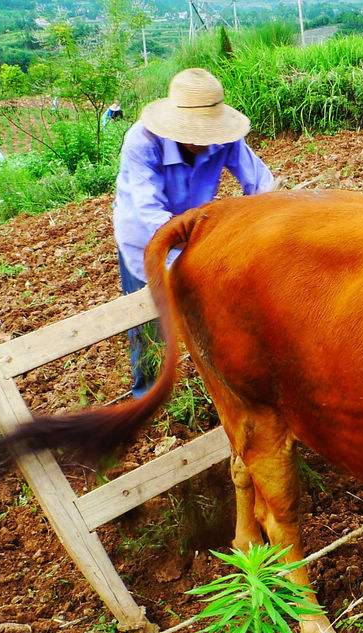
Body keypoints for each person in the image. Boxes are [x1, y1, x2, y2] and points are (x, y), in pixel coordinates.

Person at [113, 68, 275, 398]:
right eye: (196, 133)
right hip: (144, 238)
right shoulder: (142, 143)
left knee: (207, 311)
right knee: (150, 318)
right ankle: (146, 392)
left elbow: (260, 185)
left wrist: (269, 229)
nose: (205, 141)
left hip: (195, 232)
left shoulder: (225, 137)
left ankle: (219, 383)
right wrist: (194, 259)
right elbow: (150, 214)